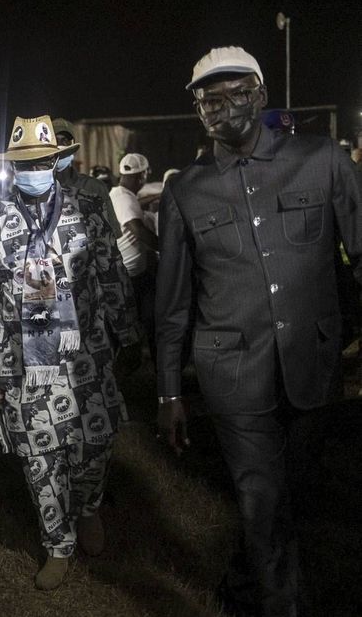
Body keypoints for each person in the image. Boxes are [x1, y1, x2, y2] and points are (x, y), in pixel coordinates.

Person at [155, 46, 362, 617]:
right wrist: (170, 391)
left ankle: (243, 582)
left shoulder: (323, 161)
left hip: (313, 365)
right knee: (262, 496)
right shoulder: (185, 190)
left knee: (290, 496)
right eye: (207, 97)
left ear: (262, 95)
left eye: (234, 91)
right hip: (231, 376)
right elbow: (172, 303)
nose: (221, 105)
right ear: (198, 111)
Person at [0, 115, 141, 591]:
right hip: (23, 363)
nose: (34, 169)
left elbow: (111, 278)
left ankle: (88, 507)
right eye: (23, 162)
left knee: (94, 445)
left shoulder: (85, 211)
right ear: (12, 165)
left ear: (56, 160)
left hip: (85, 357)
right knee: (38, 458)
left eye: (42, 161)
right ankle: (57, 545)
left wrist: (128, 337)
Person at [110, 153, 158, 356]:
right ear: (142, 177)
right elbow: (135, 227)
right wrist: (164, 247)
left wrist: (158, 195)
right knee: (139, 324)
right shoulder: (123, 198)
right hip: (128, 278)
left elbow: (137, 203)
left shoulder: (122, 194)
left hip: (130, 274)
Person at [52, 119, 120, 237]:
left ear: (73, 147)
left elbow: (113, 233)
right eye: (55, 141)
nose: (60, 146)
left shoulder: (94, 187)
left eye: (65, 141)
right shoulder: (39, 190)